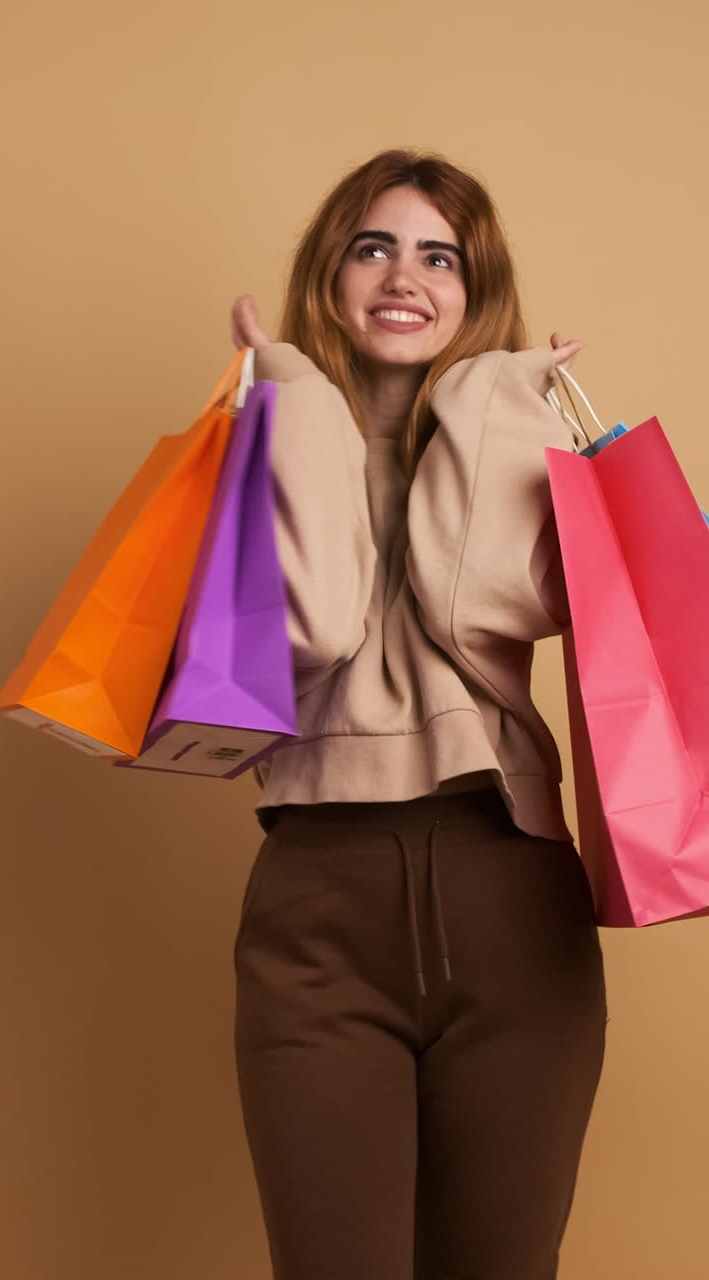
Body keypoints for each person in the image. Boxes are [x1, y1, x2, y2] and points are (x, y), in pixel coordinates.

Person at [230, 148, 607, 1280]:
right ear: (330, 273)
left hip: (512, 900)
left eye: (441, 255)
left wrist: (487, 401)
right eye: (374, 245)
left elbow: (482, 595)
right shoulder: (261, 433)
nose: (406, 275)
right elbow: (317, 625)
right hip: (316, 907)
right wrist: (296, 403)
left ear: (473, 285)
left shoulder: (520, 436)